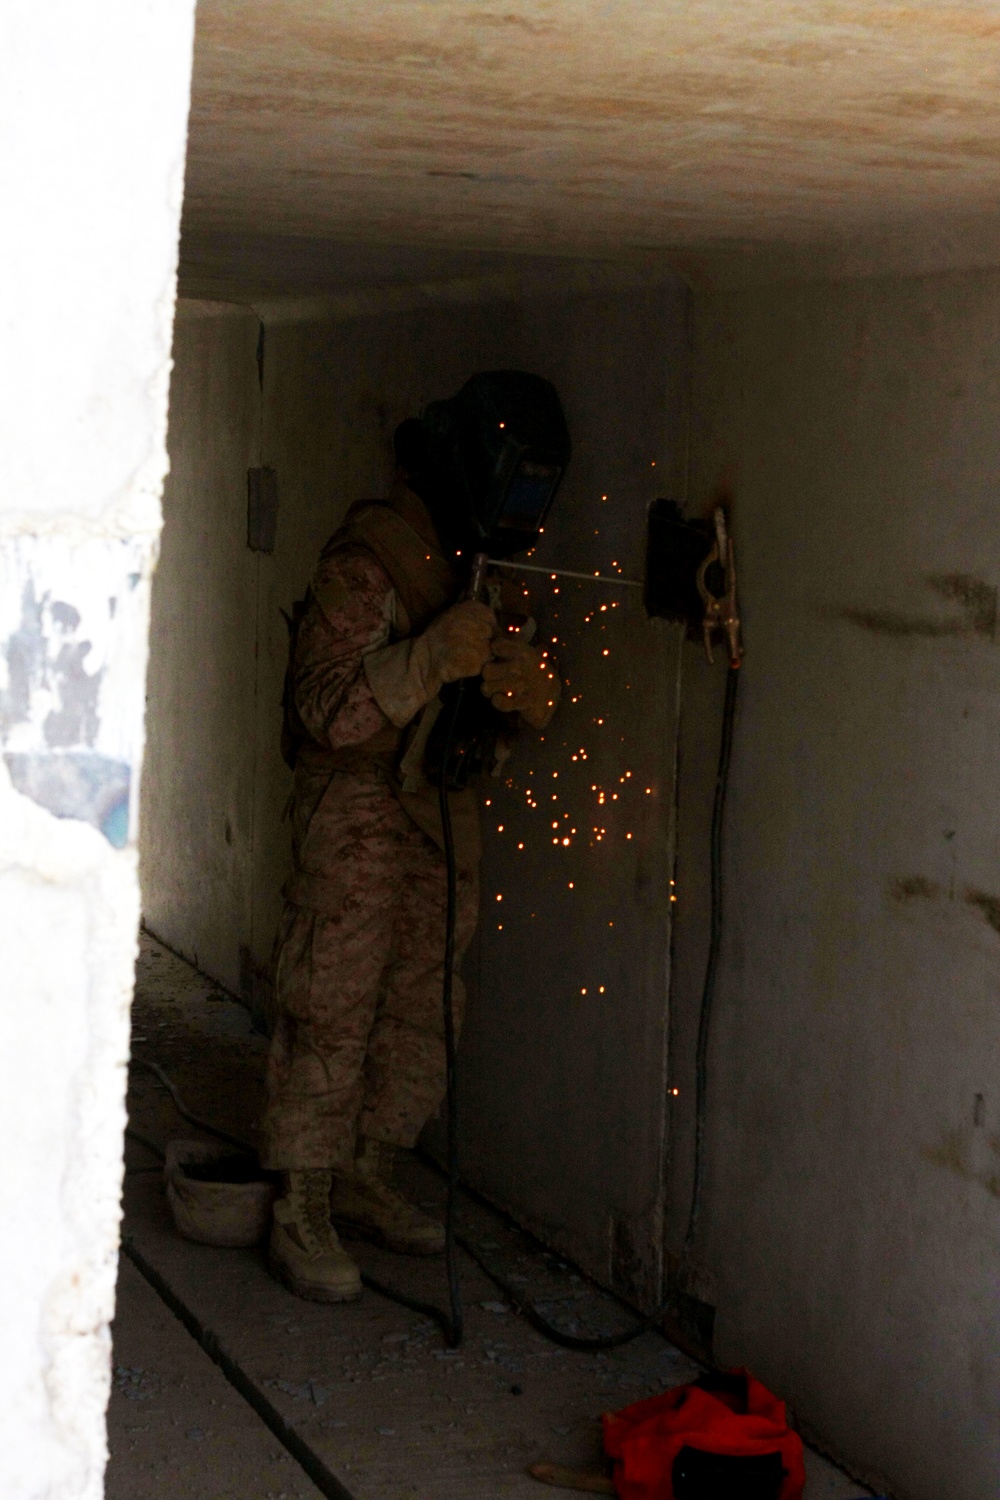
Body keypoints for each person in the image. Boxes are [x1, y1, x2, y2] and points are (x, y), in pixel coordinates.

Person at [261, 371, 570, 1302]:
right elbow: (324, 710)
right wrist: (428, 658)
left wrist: (521, 695)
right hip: (355, 806)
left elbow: (493, 704)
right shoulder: (368, 563)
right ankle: (300, 1199)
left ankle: (366, 1173)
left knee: (420, 1005)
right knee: (332, 1001)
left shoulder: (487, 566)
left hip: (439, 806)